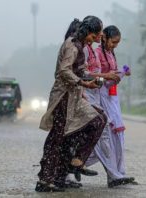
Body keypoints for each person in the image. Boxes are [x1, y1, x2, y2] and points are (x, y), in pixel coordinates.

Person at [35, 16, 107, 192]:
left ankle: (75, 162)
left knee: (97, 120)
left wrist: (94, 79)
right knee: (57, 137)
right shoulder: (72, 45)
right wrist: (83, 83)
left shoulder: (81, 46)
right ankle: (45, 180)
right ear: (87, 32)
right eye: (94, 35)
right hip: (63, 98)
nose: (95, 39)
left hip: (74, 97)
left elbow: (80, 70)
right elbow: (64, 70)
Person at [95, 25, 137, 187]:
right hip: (101, 97)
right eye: (113, 42)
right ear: (104, 37)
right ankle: (113, 174)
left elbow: (112, 74)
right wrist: (109, 76)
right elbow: (95, 75)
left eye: (117, 43)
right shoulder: (97, 53)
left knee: (118, 137)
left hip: (113, 97)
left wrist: (121, 73)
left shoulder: (111, 53)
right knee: (106, 137)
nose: (114, 45)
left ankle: (119, 172)